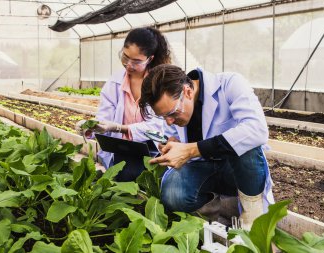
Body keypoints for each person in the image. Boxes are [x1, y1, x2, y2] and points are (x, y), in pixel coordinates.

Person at [139, 64, 274, 229]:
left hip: (237, 170)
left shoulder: (230, 84)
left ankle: (253, 222)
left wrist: (192, 150)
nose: (169, 121)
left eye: (172, 113)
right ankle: (212, 219)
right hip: (202, 168)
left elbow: (257, 130)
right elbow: (171, 133)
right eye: (163, 116)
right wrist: (172, 143)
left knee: (247, 148)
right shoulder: (173, 109)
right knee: (173, 191)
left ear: (188, 91)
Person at [76, 27, 170, 181]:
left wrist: (121, 128)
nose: (129, 65)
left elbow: (160, 126)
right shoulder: (115, 82)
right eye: (125, 57)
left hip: (154, 150)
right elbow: (104, 119)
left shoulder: (160, 82)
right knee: (126, 172)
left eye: (136, 61)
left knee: (140, 176)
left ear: (150, 59)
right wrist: (90, 128)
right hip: (123, 150)